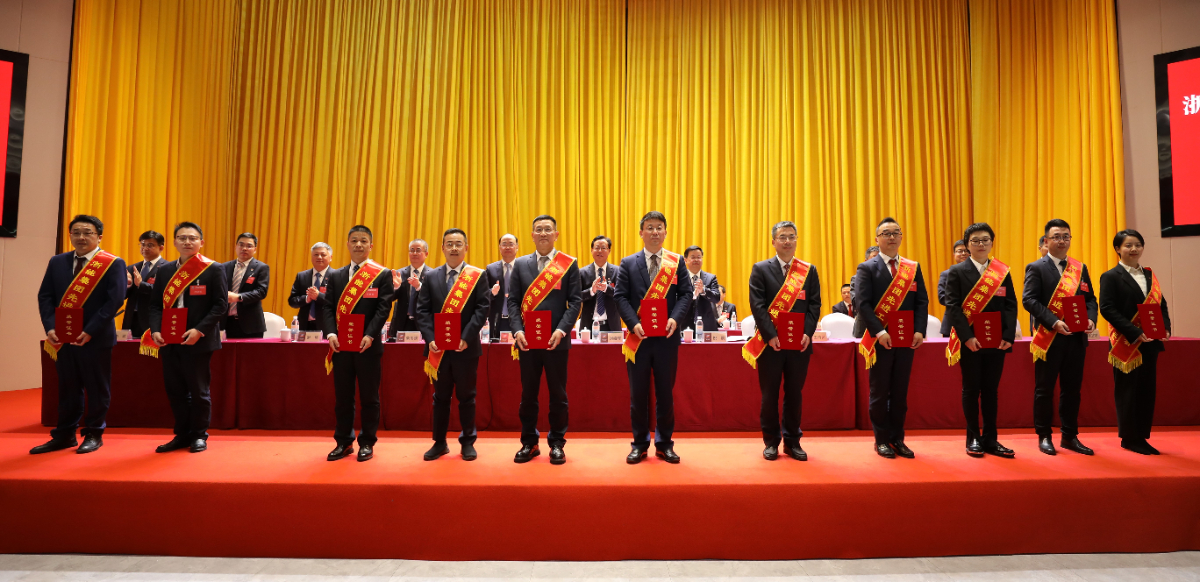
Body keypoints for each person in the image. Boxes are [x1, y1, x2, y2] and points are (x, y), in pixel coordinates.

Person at [32, 215, 127, 455]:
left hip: (96, 338)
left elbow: (114, 301)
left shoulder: (113, 263)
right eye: (76, 232)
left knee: (96, 387)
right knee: (67, 387)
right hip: (63, 337)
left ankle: (94, 433)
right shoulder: (58, 261)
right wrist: (50, 327)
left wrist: (90, 330)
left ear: (99, 237)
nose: (81, 237)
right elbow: (45, 296)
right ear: (70, 235)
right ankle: (64, 435)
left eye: (87, 232)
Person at [615, 211, 693, 464]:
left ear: (666, 232)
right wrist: (633, 323)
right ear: (641, 232)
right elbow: (620, 297)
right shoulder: (628, 263)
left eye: (659, 227)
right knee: (638, 395)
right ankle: (639, 444)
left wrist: (675, 319)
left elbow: (686, 294)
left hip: (667, 339)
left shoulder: (676, 262)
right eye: (650, 227)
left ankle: (664, 444)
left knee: (665, 394)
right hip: (638, 339)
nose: (655, 232)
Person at [743, 221, 821, 461]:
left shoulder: (808, 270)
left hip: (800, 344)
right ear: (773, 242)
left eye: (791, 236)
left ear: (796, 240)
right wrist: (771, 335)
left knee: (794, 394)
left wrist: (807, 332)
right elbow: (757, 306)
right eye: (783, 237)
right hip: (771, 345)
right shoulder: (760, 269)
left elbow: (814, 305)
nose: (787, 241)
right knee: (769, 395)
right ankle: (771, 442)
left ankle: (793, 441)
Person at [148, 222, 228, 454]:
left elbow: (220, 305)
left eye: (192, 238)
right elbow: (155, 306)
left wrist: (199, 330)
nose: (187, 242)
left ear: (201, 242)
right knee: (175, 390)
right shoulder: (164, 270)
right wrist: (155, 330)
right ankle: (182, 435)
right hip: (169, 339)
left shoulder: (213, 269)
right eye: (182, 238)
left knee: (199, 391)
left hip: (198, 340)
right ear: (174, 242)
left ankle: (199, 435)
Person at [509, 215, 582, 464]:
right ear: (531, 235)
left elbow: (575, 302)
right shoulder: (520, 264)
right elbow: (513, 301)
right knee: (528, 395)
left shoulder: (568, 264)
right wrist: (517, 330)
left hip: (556, 342)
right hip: (527, 342)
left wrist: (561, 330)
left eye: (547, 229)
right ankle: (529, 443)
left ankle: (557, 443)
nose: (543, 233)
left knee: (558, 395)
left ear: (556, 235)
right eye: (538, 229)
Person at [854, 217, 929, 459]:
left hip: (907, 339)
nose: (892, 237)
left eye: (896, 232)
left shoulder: (912, 268)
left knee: (899, 392)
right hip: (880, 340)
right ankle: (881, 440)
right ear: (877, 239)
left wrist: (919, 330)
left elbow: (921, 301)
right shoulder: (867, 268)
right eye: (886, 233)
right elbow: (863, 304)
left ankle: (898, 439)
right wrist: (880, 331)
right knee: (879, 392)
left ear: (901, 237)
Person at [1024, 219, 1098, 456]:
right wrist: (1054, 322)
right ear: (1046, 241)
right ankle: (1044, 435)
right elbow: (1029, 300)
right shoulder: (1036, 267)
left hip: (1075, 339)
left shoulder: (1079, 268)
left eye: (1066, 236)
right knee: (1044, 390)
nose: (1062, 241)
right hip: (1048, 338)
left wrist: (1091, 319)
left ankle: (1070, 436)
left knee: (1072, 390)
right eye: (1056, 237)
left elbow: (1090, 299)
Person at [944, 223, 1017, 458]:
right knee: (971, 389)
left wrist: (1008, 336)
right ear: (967, 245)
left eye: (985, 239)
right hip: (971, 342)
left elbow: (1011, 305)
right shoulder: (957, 271)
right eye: (975, 240)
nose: (981, 244)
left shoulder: (1001, 271)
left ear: (992, 242)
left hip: (996, 341)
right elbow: (953, 307)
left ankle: (991, 439)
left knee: (991, 391)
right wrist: (967, 337)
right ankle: (973, 438)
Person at [322, 225, 394, 462]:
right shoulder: (336, 275)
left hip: (367, 346)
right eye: (354, 240)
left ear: (370, 245)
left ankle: (367, 443)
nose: (359, 245)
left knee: (369, 398)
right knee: (343, 398)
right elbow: (328, 308)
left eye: (363, 241)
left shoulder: (381, 274)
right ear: (347, 244)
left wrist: (371, 334)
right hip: (341, 346)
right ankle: (343, 442)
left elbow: (383, 308)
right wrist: (331, 334)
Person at [417, 228, 490, 461]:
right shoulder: (431, 276)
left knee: (467, 397)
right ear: (442, 248)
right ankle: (439, 442)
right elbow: (422, 311)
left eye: (459, 244)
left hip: (466, 349)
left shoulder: (477, 275)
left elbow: (482, 308)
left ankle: (467, 442)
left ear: (466, 248)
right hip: (438, 349)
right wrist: (430, 338)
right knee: (440, 398)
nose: (454, 248)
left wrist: (466, 337)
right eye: (449, 244)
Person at [1099, 229, 1171, 455]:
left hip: (1150, 342)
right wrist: (1134, 332)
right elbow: (1107, 309)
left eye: (1138, 245)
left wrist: (1165, 327)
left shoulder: (1149, 275)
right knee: (1127, 392)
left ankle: (1142, 436)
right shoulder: (1110, 276)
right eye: (1128, 245)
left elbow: (1161, 304)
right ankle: (1129, 438)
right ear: (1118, 249)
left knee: (1146, 391)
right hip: (1126, 343)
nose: (1134, 249)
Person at [221, 233, 270, 339]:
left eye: (249, 246)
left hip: (250, 324)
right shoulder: (224, 267)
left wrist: (238, 297)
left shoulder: (261, 268)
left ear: (255, 249)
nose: (244, 248)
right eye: (241, 245)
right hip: (226, 322)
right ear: (236, 246)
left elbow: (261, 292)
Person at [122, 230, 166, 337]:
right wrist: (126, 285)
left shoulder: (167, 268)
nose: (145, 248)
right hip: (131, 318)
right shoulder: (132, 268)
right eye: (142, 244)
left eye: (150, 245)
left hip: (152, 320)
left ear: (161, 248)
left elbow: (163, 292)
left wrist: (141, 284)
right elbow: (124, 295)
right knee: (127, 347)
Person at [388, 239, 430, 339]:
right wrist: (396, 287)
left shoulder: (432, 275)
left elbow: (433, 299)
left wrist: (419, 287)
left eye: (418, 250)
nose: (414, 253)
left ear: (426, 254)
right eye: (412, 250)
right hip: (402, 322)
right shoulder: (399, 273)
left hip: (423, 323)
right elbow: (390, 298)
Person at [287, 243, 333, 332]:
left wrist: (318, 296)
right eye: (316, 254)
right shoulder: (302, 276)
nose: (319, 257)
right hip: (304, 326)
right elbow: (292, 301)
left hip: (326, 326)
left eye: (323, 255)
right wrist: (306, 299)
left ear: (330, 257)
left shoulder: (336, 276)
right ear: (311, 257)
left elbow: (338, 302)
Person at [579, 235, 621, 332]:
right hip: (588, 325)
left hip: (611, 325)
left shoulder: (618, 271)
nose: (600, 251)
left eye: (603, 248)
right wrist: (591, 291)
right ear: (591, 250)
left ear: (609, 251)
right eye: (597, 248)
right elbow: (576, 297)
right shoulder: (582, 272)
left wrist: (607, 288)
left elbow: (622, 295)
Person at [679, 246, 721, 333]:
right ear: (685, 260)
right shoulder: (680, 278)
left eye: (699, 257)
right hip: (684, 324)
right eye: (693, 257)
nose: (696, 260)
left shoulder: (710, 278)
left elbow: (716, 298)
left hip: (706, 324)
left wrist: (703, 290)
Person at [486, 234, 520, 340]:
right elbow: (483, 295)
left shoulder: (523, 267)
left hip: (518, 320)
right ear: (500, 247)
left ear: (517, 247)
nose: (507, 247)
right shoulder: (491, 269)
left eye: (511, 244)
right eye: (504, 244)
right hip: (497, 320)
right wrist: (492, 292)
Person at [938, 240, 969, 337]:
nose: (963, 253)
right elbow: (942, 297)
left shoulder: (980, 274)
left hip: (973, 321)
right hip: (951, 323)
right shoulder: (946, 274)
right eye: (960, 251)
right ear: (954, 254)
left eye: (966, 251)